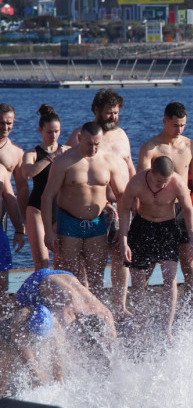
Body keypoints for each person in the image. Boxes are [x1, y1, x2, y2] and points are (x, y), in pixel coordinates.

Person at [65, 89, 136, 317]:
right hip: (93, 208)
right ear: (96, 110)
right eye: (108, 113)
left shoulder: (122, 135)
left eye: (115, 113)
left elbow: (130, 165)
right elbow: (66, 167)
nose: (112, 117)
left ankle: (120, 306)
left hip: (121, 206)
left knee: (120, 256)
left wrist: (137, 199)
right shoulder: (82, 135)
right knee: (88, 260)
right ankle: (88, 305)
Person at [136, 102, 193, 313]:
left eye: (183, 125)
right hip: (155, 214)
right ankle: (141, 316)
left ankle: (192, 314)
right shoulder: (150, 148)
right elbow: (140, 184)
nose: (179, 130)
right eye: (176, 125)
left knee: (189, 264)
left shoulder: (190, 146)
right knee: (146, 268)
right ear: (165, 121)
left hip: (181, 212)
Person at [41, 122, 128, 299]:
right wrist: (48, 231)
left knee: (96, 276)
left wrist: (123, 230)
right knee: (71, 275)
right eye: (89, 143)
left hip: (97, 223)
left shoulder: (108, 161)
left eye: (97, 144)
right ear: (80, 139)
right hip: (69, 222)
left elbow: (122, 197)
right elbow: (47, 197)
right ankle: (72, 316)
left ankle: (94, 319)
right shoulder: (64, 162)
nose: (94, 148)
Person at [118, 156, 193, 336]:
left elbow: (188, 210)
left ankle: (166, 328)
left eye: (165, 182)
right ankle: (141, 328)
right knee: (138, 281)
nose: (162, 186)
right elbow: (124, 210)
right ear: (151, 172)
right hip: (142, 227)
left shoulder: (176, 183)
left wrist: (192, 239)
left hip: (167, 228)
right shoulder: (137, 182)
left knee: (170, 278)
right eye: (159, 181)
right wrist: (123, 240)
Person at [14, 267, 117, 347]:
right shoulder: (68, 312)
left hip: (65, 276)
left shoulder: (105, 313)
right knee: (18, 318)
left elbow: (112, 345)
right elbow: (64, 345)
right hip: (37, 283)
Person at [22, 105, 69, 271]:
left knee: (61, 261)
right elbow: (27, 173)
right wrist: (52, 157)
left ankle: (59, 296)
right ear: (40, 130)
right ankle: (39, 296)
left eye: (56, 131)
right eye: (49, 132)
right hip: (37, 209)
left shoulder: (67, 151)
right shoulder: (32, 153)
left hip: (60, 210)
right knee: (42, 262)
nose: (53, 136)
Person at [0, 305, 58, 396]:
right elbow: (30, 364)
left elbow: (58, 363)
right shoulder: (19, 328)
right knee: (4, 377)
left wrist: (59, 385)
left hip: (26, 336)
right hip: (5, 337)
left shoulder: (55, 325)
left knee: (43, 371)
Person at [0, 104, 28, 238]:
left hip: (3, 211)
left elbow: (22, 188)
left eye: (8, 123)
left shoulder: (16, 152)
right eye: (0, 123)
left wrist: (21, 224)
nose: (5, 128)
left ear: (14, 121)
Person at [0, 158, 26, 298]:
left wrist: (19, 229)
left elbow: (10, 199)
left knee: (2, 283)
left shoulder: (1, 170)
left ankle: (2, 316)